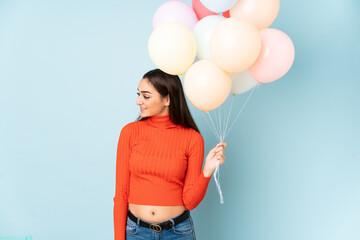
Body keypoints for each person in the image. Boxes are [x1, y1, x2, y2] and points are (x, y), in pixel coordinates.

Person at [113, 69, 227, 240]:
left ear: (167, 99)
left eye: (146, 96)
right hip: (136, 232)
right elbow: (121, 193)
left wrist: (207, 171)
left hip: (178, 232)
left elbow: (190, 202)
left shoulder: (192, 138)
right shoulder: (130, 132)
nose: (138, 101)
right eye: (139, 95)